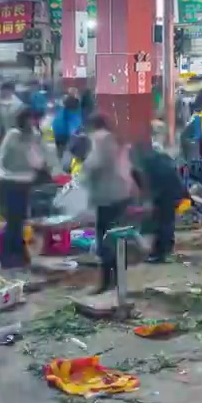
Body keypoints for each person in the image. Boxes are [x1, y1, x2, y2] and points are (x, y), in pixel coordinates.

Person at [82, 112, 135, 294]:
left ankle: (105, 281)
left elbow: (94, 164)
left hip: (107, 196)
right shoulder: (117, 139)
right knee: (118, 237)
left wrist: (84, 169)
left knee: (103, 238)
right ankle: (119, 280)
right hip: (122, 194)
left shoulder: (99, 139)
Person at [0, 109, 45, 270]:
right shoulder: (12, 136)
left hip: (24, 184)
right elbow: (4, 160)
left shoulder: (35, 135)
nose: (32, 123)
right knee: (12, 221)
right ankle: (8, 257)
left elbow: (38, 160)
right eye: (29, 120)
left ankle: (19, 254)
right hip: (9, 183)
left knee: (19, 221)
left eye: (33, 119)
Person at [130, 142, 186, 263]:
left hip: (165, 190)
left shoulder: (140, 162)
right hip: (174, 188)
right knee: (167, 220)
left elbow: (140, 181)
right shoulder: (160, 157)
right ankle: (164, 250)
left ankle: (161, 254)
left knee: (163, 221)